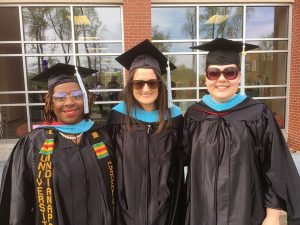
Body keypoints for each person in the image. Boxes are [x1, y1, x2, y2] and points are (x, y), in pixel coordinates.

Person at [183, 38, 300, 225]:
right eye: (214, 73)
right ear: (206, 78)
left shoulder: (258, 114)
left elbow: (274, 166)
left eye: (229, 72)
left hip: (245, 212)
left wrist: (272, 215)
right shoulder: (195, 115)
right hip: (201, 213)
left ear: (239, 76)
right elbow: (181, 158)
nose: (221, 79)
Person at [0, 63, 115, 225]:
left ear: (86, 99)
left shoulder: (102, 136)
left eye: (77, 95)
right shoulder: (33, 144)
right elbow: (18, 202)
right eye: (60, 97)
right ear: (50, 103)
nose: (69, 102)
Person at [106, 39, 184, 225]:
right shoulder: (117, 118)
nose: (146, 89)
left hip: (167, 211)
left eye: (152, 83)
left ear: (160, 84)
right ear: (130, 86)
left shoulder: (175, 119)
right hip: (126, 214)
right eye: (138, 84)